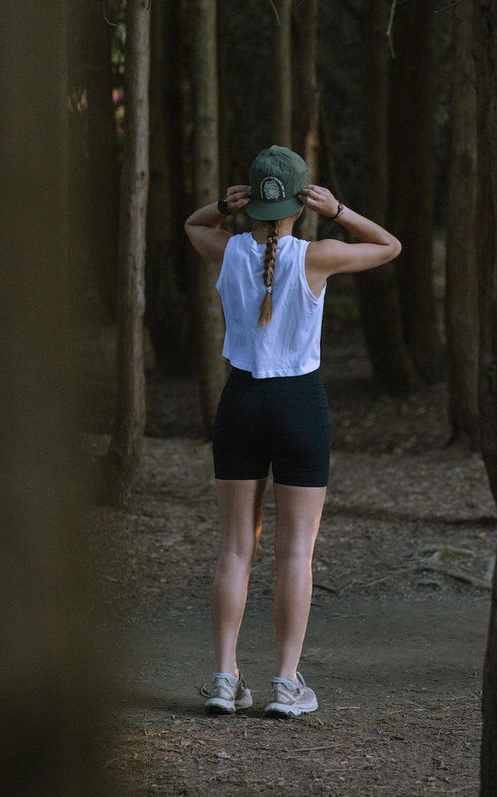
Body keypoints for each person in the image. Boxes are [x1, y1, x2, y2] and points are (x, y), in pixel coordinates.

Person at [184, 145, 401, 718]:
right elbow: (389, 246)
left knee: (234, 550)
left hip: (241, 402)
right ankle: (284, 684)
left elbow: (191, 224)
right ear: (301, 203)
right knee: (295, 553)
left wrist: (221, 206)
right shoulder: (318, 254)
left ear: (252, 200)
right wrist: (339, 210)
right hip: (299, 406)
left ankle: (226, 679)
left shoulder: (225, 248)